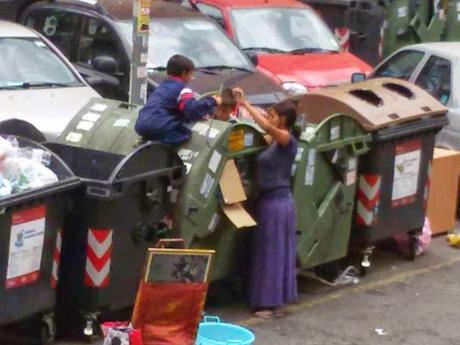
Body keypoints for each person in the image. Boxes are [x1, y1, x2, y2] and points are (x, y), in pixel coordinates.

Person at [234, 88, 299, 318]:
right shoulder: (273, 140)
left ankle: (268, 303)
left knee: (272, 252)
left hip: (278, 202)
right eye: (269, 115)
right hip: (268, 201)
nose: (269, 119)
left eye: (273, 115)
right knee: (265, 251)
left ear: (283, 120)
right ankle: (267, 300)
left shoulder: (287, 139)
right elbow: (258, 136)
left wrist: (246, 104)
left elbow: (266, 128)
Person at [135, 54, 222, 145]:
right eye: (190, 74)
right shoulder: (183, 89)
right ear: (184, 73)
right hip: (159, 127)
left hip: (141, 125)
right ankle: (158, 146)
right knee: (186, 134)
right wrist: (213, 101)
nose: (191, 78)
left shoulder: (161, 87)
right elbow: (192, 109)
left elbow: (173, 109)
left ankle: (148, 141)